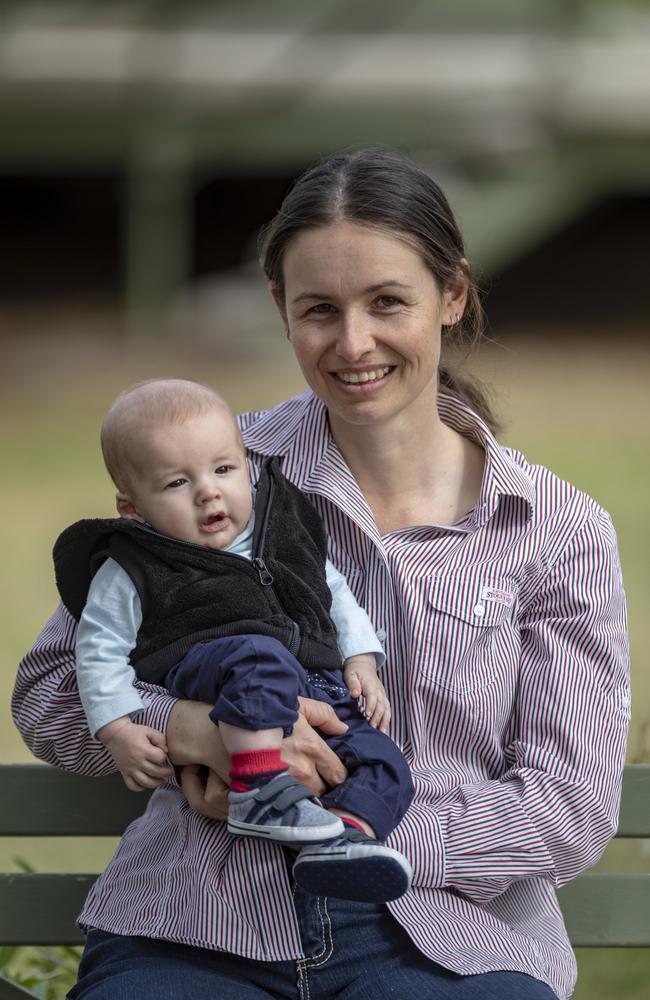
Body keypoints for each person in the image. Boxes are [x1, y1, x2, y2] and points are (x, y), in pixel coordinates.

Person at [13, 148, 629, 1000]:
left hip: (447, 939)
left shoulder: (554, 529)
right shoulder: (213, 474)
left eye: (387, 303)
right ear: (280, 309)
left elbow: (570, 806)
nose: (353, 343)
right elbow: (49, 694)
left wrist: (361, 835)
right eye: (319, 310)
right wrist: (192, 729)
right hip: (196, 924)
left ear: (451, 296)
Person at [52, 377, 413, 901]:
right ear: (131, 508)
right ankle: (258, 788)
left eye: (224, 470)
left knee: (384, 760)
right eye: (177, 483)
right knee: (258, 656)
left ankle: (343, 839)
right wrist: (117, 729)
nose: (208, 491)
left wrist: (361, 659)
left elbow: (332, 592)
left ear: (246, 465)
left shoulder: (281, 530)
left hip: (319, 687)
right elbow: (97, 648)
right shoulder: (134, 565)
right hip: (211, 667)